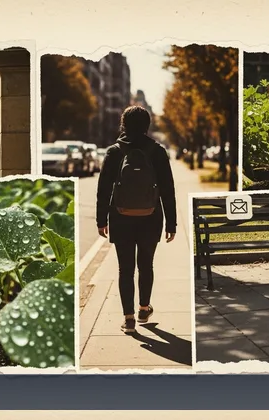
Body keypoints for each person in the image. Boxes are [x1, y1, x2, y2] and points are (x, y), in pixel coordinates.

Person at [96, 105, 177, 334]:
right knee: (146, 265)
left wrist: (101, 220)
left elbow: (103, 189)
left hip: (120, 218)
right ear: (146, 125)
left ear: (123, 124)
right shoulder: (157, 151)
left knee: (125, 269)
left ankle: (129, 319)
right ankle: (143, 308)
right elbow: (167, 190)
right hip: (151, 217)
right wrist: (171, 224)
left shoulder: (114, 152)